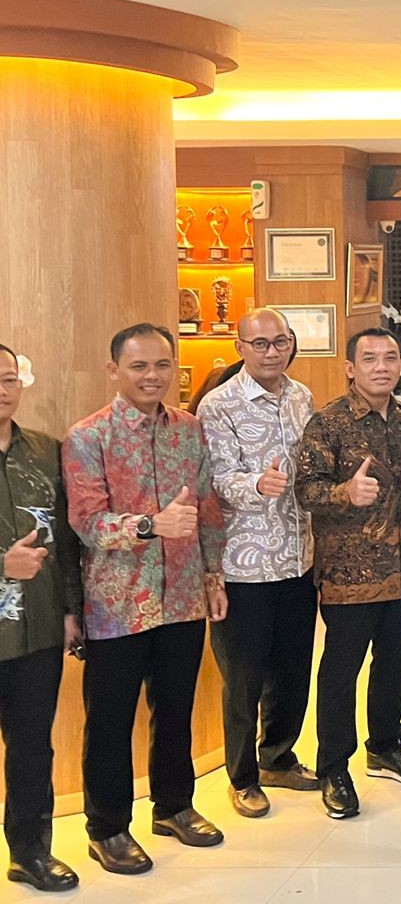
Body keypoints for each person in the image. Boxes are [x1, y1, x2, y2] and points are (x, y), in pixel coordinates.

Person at [62, 323, 227, 874]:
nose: (152, 376)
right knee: (110, 721)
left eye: (162, 365)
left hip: (183, 596)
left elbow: (207, 508)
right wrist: (150, 525)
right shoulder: (88, 437)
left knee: (175, 708)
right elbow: (87, 523)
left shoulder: (190, 429)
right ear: (114, 370)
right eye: (139, 366)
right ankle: (107, 828)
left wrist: (213, 576)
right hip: (116, 605)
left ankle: (174, 806)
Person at [299, 328, 401, 820]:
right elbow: (305, 491)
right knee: (341, 672)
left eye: (390, 358)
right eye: (370, 358)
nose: (382, 366)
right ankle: (334, 767)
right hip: (348, 575)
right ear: (351, 368)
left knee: (395, 665)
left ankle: (386, 745)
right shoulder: (329, 423)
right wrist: (345, 493)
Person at [196, 308, 319, 818]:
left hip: (297, 559)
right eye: (260, 343)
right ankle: (243, 777)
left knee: (293, 670)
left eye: (280, 341)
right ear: (241, 348)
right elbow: (217, 479)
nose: (272, 352)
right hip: (243, 566)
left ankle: (278, 758)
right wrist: (258, 485)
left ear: (291, 344)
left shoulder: (302, 396)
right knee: (244, 677)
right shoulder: (218, 405)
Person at [0, 343, 82, 892]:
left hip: (38, 627)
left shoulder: (47, 451)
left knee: (32, 746)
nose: (2, 389)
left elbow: (69, 541)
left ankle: (30, 852)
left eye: (9, 378)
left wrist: (72, 609)